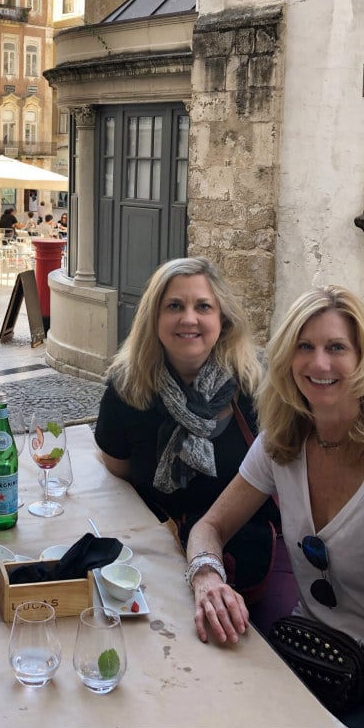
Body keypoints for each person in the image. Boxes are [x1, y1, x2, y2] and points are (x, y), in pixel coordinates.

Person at [186, 286, 364, 728]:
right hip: (310, 653)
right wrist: (206, 577)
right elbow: (211, 526)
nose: (319, 364)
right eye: (305, 346)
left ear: (363, 360)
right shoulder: (283, 440)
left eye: (336, 347)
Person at [95, 256, 284, 604]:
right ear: (154, 317)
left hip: (249, 562)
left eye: (203, 306)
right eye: (174, 306)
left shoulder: (257, 386)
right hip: (150, 567)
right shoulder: (126, 389)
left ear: (222, 319)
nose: (189, 318)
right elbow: (118, 470)